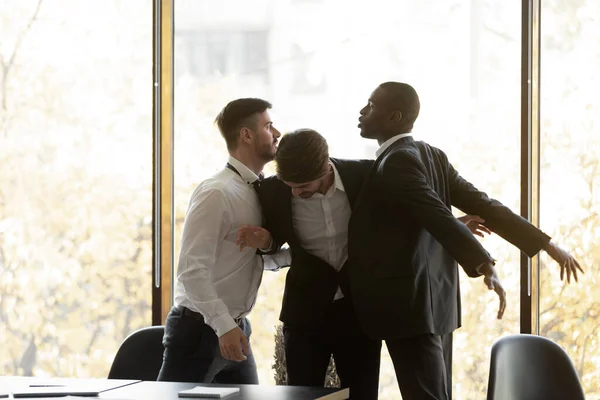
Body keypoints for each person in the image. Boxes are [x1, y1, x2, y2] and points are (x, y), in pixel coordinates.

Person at [347, 81, 583, 399]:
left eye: (371, 105)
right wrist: (547, 245)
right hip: (434, 303)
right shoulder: (432, 155)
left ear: (394, 117)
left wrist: (484, 263)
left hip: (408, 307)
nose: (363, 111)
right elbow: (480, 206)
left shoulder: (397, 161)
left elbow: (437, 216)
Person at [237, 129, 493, 399]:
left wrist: (456, 225)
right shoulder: (273, 190)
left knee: (362, 394)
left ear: (325, 167)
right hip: (305, 313)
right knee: (302, 395)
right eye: (291, 186)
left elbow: (404, 221)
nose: (296, 192)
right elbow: (274, 242)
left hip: (360, 311)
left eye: (303, 187)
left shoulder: (368, 176)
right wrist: (266, 241)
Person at [157, 98, 281, 384]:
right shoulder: (216, 193)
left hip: (236, 327)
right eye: (269, 126)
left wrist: (277, 248)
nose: (277, 133)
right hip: (199, 331)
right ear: (246, 135)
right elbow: (191, 272)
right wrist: (223, 326)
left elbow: (249, 259)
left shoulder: (261, 191)